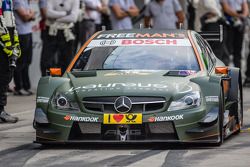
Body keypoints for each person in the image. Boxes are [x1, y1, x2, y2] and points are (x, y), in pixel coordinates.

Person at [40, 0, 79, 76]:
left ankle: (63, 80)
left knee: (67, 61)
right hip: (51, 32)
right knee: (48, 61)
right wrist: (66, 13)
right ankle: (51, 79)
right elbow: (48, 13)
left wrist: (56, 19)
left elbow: (73, 18)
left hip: (67, 33)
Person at [0, 0, 21, 123]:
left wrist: (15, 40)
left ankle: (1, 109)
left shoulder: (8, 1)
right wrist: (5, 41)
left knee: (7, 74)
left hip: (9, 34)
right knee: (3, 75)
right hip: (2, 38)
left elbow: (11, 21)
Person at [13, 0, 35, 96]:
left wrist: (30, 14)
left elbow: (31, 17)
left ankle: (26, 86)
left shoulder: (25, 1)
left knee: (27, 61)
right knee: (20, 61)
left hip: (28, 32)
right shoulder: (17, 1)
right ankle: (19, 87)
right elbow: (25, 17)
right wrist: (32, 13)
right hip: (20, 34)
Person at [221, 0, 249, 68]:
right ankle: (225, 75)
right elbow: (226, 8)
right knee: (227, 50)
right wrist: (238, 15)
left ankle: (238, 75)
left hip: (240, 21)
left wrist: (242, 16)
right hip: (228, 20)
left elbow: (245, 7)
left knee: (238, 51)